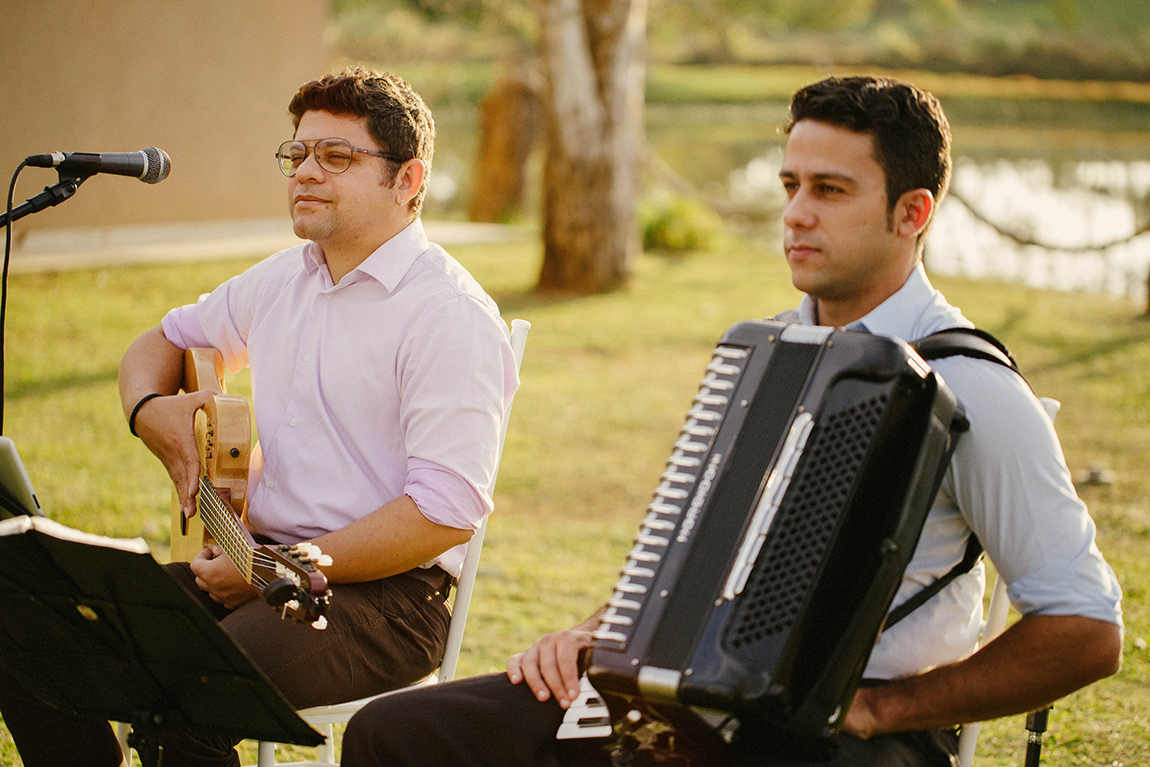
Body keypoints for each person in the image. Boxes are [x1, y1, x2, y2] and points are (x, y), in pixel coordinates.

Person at [337, 76, 1123, 767]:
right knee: (396, 731)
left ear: (912, 211)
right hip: (686, 700)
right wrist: (592, 631)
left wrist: (886, 706)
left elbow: (1087, 627)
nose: (796, 215)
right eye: (790, 185)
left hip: (854, 733)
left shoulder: (970, 386)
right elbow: (703, 554)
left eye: (831, 190)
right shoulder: (772, 354)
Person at [0, 67, 519, 767]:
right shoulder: (288, 276)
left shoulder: (449, 315)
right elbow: (161, 343)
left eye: (336, 157)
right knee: (32, 632)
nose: (306, 171)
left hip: (389, 600)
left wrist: (274, 565)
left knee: (193, 689)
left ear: (408, 180)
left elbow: (445, 511)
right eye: (298, 153)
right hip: (253, 562)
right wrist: (150, 412)